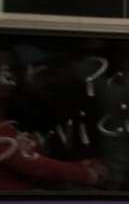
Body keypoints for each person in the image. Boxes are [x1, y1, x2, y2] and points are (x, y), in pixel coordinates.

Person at [0, 48, 107, 191]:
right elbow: (32, 164)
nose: (7, 79)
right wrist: (87, 173)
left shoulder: (20, 110)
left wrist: (81, 166)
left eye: (11, 70)